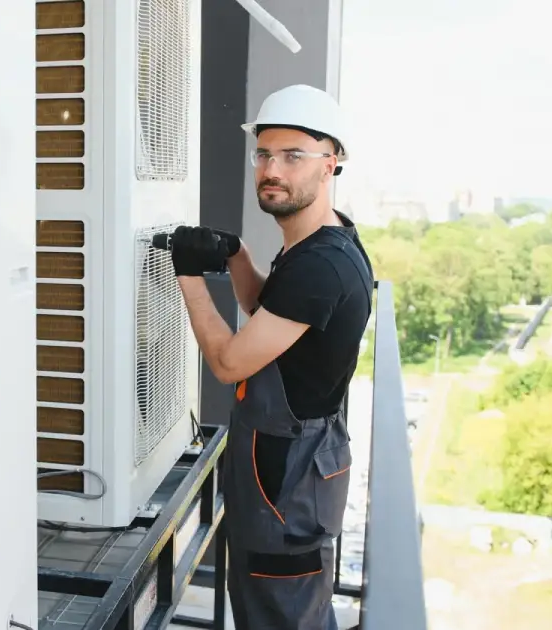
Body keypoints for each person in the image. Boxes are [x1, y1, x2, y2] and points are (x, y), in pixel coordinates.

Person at [167, 84, 373, 630]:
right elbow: (270, 310)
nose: (271, 169)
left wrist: (186, 275)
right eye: (264, 154)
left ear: (331, 164)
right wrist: (237, 255)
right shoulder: (321, 241)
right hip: (290, 470)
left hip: (287, 481)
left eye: (293, 156)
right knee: (281, 607)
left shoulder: (319, 266)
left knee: (282, 612)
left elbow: (231, 362)